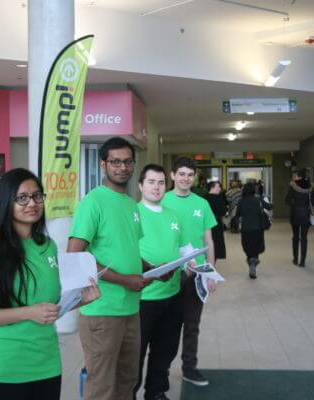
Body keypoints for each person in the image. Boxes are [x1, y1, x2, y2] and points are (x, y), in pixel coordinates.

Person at [0, 168, 100, 400]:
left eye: (37, 196)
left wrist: (79, 300)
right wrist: (28, 312)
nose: (32, 203)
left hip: (47, 362)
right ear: (6, 202)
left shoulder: (47, 245)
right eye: (22, 198)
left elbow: (46, 308)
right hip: (6, 365)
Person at [68, 137, 153, 400]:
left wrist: (149, 268)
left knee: (128, 379)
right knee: (102, 385)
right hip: (102, 310)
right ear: (103, 164)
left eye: (128, 161)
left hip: (130, 308)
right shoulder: (93, 202)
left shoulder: (130, 204)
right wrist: (124, 280)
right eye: (115, 162)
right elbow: (75, 253)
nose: (123, 167)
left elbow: (125, 249)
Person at [134, 164, 190, 400]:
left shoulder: (172, 215)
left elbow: (185, 248)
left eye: (160, 183)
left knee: (165, 350)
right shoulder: (132, 214)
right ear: (140, 186)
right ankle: (130, 393)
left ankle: (156, 392)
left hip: (172, 295)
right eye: (151, 182)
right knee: (135, 353)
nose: (156, 188)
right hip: (142, 299)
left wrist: (195, 265)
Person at [161, 157, 217, 387]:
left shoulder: (202, 204)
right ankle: (160, 370)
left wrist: (211, 271)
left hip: (197, 274)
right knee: (167, 326)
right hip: (170, 274)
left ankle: (189, 368)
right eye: (181, 174)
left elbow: (208, 240)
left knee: (192, 325)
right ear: (173, 175)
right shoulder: (161, 200)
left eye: (190, 175)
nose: (186, 178)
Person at [236, 182, 273, 279]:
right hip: (258, 228)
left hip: (245, 229)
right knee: (256, 248)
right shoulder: (258, 199)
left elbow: (238, 214)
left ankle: (251, 262)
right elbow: (270, 207)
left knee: (247, 248)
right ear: (253, 190)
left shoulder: (241, 201)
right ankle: (253, 263)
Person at [285, 169, 314, 267]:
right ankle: (303, 262)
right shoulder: (310, 186)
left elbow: (287, 201)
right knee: (304, 238)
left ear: (299, 177)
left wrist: (294, 202)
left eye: (296, 176)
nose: (295, 177)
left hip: (295, 214)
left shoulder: (293, 186)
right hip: (306, 214)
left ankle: (295, 259)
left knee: (295, 237)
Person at [207, 181, 227, 261]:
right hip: (216, 224)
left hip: (205, 225)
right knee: (216, 244)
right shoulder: (219, 198)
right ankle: (212, 262)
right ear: (212, 187)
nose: (220, 189)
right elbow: (223, 211)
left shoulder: (203, 198)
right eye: (218, 187)